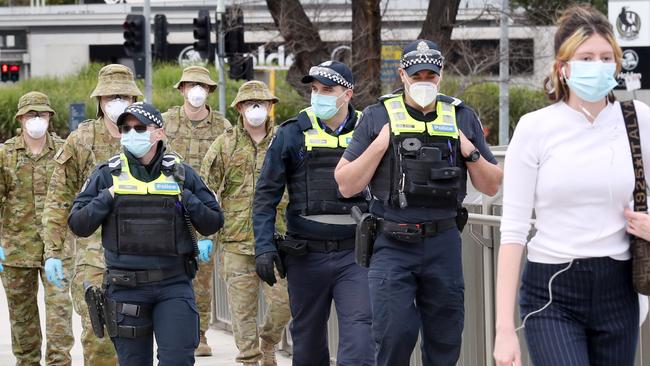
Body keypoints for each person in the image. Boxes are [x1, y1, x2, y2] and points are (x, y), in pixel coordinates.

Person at [493, 5, 648, 366]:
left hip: (619, 287)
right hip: (552, 290)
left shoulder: (638, 120)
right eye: (587, 57)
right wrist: (503, 329)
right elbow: (513, 232)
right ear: (563, 67)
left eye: (606, 57)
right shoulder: (535, 128)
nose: (598, 65)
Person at [335, 40, 502, 365]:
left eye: (431, 74)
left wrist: (468, 147)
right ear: (402, 74)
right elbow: (345, 183)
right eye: (416, 74)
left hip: (443, 243)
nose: (424, 80)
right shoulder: (377, 115)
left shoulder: (462, 116)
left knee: (446, 339)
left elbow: (491, 183)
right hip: (391, 244)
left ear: (441, 76)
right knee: (395, 334)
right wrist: (381, 144)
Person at [67, 102, 224, 366]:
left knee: (178, 360)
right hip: (126, 288)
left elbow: (213, 222)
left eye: (139, 127)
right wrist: (108, 196)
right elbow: (78, 224)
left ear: (159, 133)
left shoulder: (181, 173)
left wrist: (184, 196)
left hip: (173, 285)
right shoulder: (108, 174)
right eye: (125, 128)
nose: (131, 133)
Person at [253, 61, 374, 366]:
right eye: (315, 89)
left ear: (347, 93)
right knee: (306, 344)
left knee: (360, 340)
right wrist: (264, 247)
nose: (318, 95)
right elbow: (266, 194)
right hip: (306, 255)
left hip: (356, 256)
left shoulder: (369, 130)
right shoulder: (292, 133)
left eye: (327, 90)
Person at [43, 64, 141, 365]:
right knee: (98, 333)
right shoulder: (82, 139)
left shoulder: (146, 134)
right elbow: (58, 197)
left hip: (141, 251)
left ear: (134, 99)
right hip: (92, 254)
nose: (117, 102)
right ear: (99, 100)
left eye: (123, 96)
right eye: (111, 96)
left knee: (134, 335)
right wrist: (53, 251)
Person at [202, 80, 291, 366]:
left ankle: (268, 341)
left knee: (284, 303)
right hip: (236, 242)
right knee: (242, 312)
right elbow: (205, 191)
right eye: (250, 104)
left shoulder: (284, 141)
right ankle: (250, 359)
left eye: (262, 103)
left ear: (270, 107)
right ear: (239, 108)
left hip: (277, 239)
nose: (257, 108)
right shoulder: (225, 144)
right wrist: (204, 233)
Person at [162, 66, 232, 356]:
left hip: (203, 210)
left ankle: (199, 333)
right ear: (181, 89)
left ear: (210, 91)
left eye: (202, 85)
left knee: (202, 277)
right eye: (191, 84)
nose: (196, 90)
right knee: (168, 273)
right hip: (168, 210)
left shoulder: (222, 127)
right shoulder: (165, 122)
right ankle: (169, 330)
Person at [0, 92, 74, 365]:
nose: (36, 119)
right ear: (20, 118)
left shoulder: (64, 151)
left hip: (58, 248)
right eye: (31, 115)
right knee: (22, 316)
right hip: (17, 250)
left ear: (49, 117)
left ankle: (59, 362)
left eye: (41, 114)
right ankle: (27, 361)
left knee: (59, 313)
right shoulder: (5, 154)